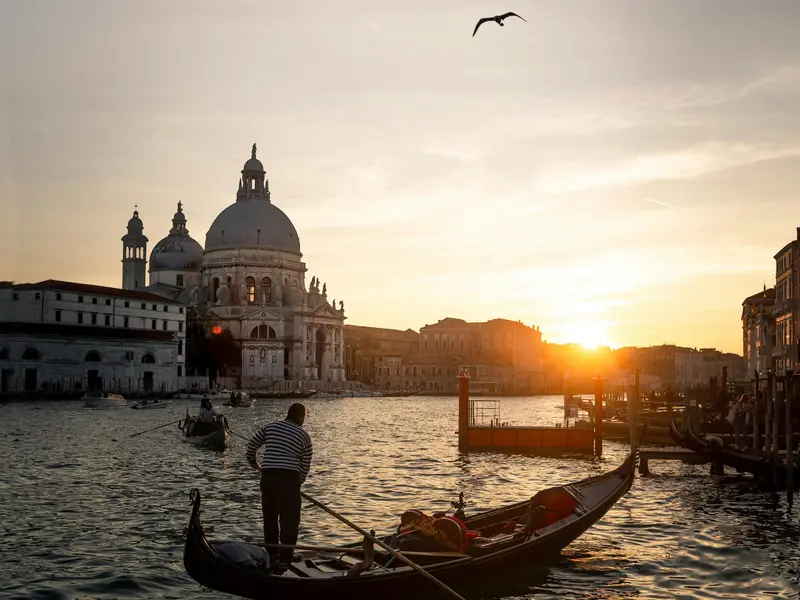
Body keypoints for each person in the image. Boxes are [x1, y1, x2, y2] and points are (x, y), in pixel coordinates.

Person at [246, 403, 313, 567]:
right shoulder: (304, 436)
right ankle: (286, 556)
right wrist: (298, 484)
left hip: (268, 477)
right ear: (300, 417)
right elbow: (305, 464)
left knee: (270, 517)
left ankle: (271, 554)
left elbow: (252, 446)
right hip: (289, 480)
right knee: (290, 520)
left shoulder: (270, 427)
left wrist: (254, 463)